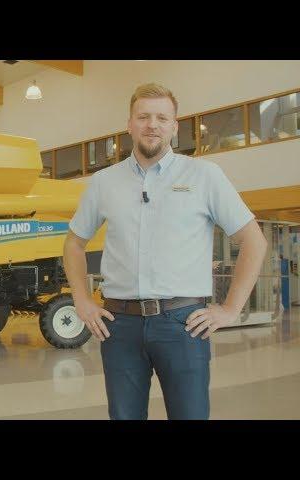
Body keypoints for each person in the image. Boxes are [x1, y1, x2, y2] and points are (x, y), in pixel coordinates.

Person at [63, 83, 268, 420]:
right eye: (143, 117)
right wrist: (82, 300)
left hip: (183, 324)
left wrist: (231, 309)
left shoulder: (204, 175)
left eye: (161, 118)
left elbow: (253, 240)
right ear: (130, 124)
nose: (152, 125)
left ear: (174, 126)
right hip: (120, 324)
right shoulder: (104, 182)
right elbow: (74, 242)